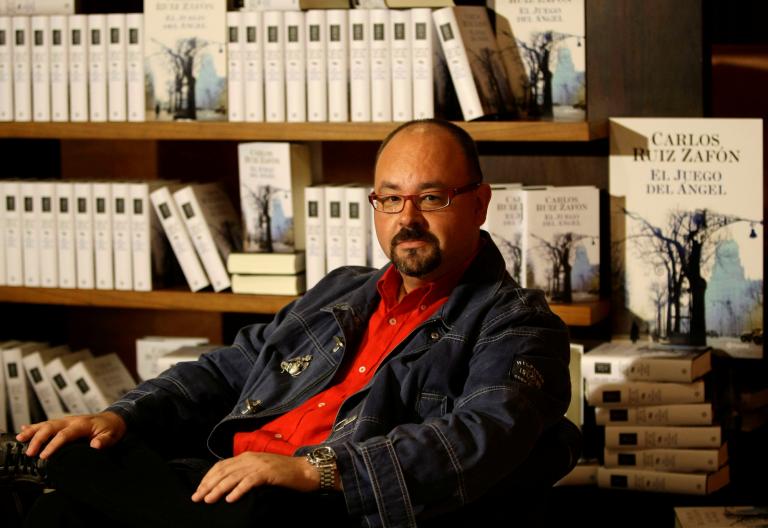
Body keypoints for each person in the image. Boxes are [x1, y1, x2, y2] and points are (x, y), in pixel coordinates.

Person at [3, 119, 579, 527]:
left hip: (313, 503)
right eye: (390, 199)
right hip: (225, 476)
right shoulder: (341, 291)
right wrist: (117, 416)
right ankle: (80, 467)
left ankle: (56, 465)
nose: (408, 219)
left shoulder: (516, 322)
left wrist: (314, 470)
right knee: (64, 513)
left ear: (479, 204)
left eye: (432, 197)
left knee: (244, 512)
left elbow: (480, 436)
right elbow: (225, 370)